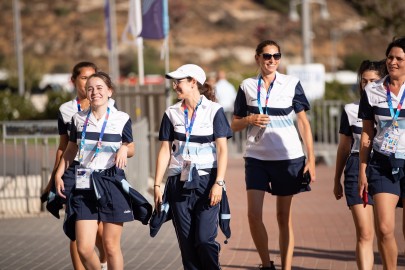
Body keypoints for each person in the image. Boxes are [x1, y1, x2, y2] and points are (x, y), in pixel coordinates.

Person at [231, 39, 316, 270]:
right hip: (256, 157)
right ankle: (266, 264)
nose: (272, 60)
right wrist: (249, 119)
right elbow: (234, 125)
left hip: (288, 158)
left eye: (276, 56)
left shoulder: (291, 83)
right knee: (253, 215)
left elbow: (303, 123)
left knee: (282, 217)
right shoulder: (247, 85)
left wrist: (311, 159)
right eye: (267, 56)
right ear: (257, 58)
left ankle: (286, 267)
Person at [54, 71, 136, 270]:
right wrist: (58, 173)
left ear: (110, 91)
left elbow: (131, 147)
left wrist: (124, 148)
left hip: (111, 181)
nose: (94, 92)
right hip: (84, 183)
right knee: (83, 248)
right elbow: (71, 148)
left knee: (110, 245)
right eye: (90, 88)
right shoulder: (78, 119)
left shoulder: (121, 118)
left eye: (99, 88)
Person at [153, 64, 232, 269]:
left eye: (179, 81)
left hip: (207, 182)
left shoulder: (215, 111)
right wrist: (157, 184)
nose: (174, 85)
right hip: (178, 182)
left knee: (205, 239)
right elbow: (164, 150)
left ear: (193, 82)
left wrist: (219, 183)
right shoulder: (171, 113)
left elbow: (223, 150)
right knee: (187, 246)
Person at [42, 61, 113, 270]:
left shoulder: (109, 104)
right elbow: (64, 147)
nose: (89, 83)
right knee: (76, 227)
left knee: (100, 230)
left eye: (93, 78)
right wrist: (54, 177)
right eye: (84, 78)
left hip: (100, 174)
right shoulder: (66, 110)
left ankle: (102, 262)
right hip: (74, 174)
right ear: (74, 81)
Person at [333, 59, 387, 269]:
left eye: (372, 80)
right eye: (363, 81)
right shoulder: (350, 109)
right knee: (365, 233)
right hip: (356, 166)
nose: (367, 85)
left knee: (385, 231)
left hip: (383, 165)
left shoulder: (393, 105)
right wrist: (336, 179)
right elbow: (344, 147)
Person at [358, 37, 405, 270]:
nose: (393, 62)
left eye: (399, 58)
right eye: (390, 57)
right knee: (385, 229)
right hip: (382, 164)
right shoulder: (372, 90)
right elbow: (367, 133)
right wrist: (363, 170)